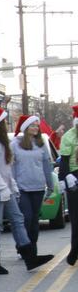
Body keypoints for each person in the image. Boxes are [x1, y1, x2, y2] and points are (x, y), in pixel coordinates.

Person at [0, 107, 54, 274]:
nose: (5, 123)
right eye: (3, 120)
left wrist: (11, 185)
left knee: (17, 219)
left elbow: (4, 166)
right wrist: (1, 187)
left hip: (4, 188)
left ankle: (30, 257)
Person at [10, 114, 56, 250]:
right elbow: (11, 167)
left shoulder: (41, 144)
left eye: (37, 125)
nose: (36, 128)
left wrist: (50, 185)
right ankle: (23, 246)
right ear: (25, 128)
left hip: (38, 187)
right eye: (32, 125)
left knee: (35, 219)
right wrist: (13, 186)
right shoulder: (15, 144)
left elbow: (47, 167)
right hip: (22, 188)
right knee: (26, 218)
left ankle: (33, 246)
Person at [58, 105, 78, 265]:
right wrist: (65, 177)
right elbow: (64, 160)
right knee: (76, 217)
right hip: (75, 178)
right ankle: (75, 249)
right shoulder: (68, 137)